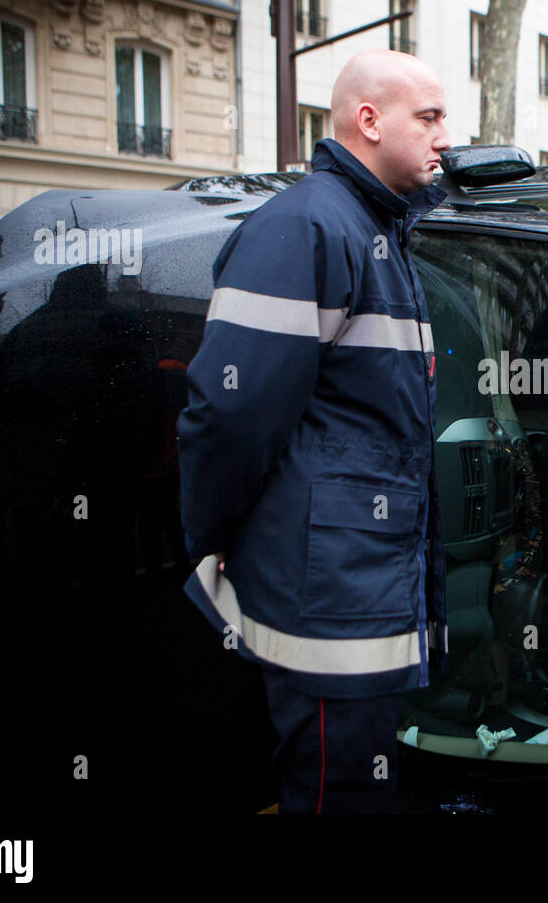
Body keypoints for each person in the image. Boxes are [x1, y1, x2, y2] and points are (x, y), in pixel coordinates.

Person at [176, 50, 453, 813]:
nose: (444, 138)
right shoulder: (308, 227)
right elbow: (230, 409)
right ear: (368, 120)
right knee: (336, 794)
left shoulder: (370, 227)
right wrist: (211, 531)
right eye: (428, 119)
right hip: (330, 596)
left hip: (350, 583)